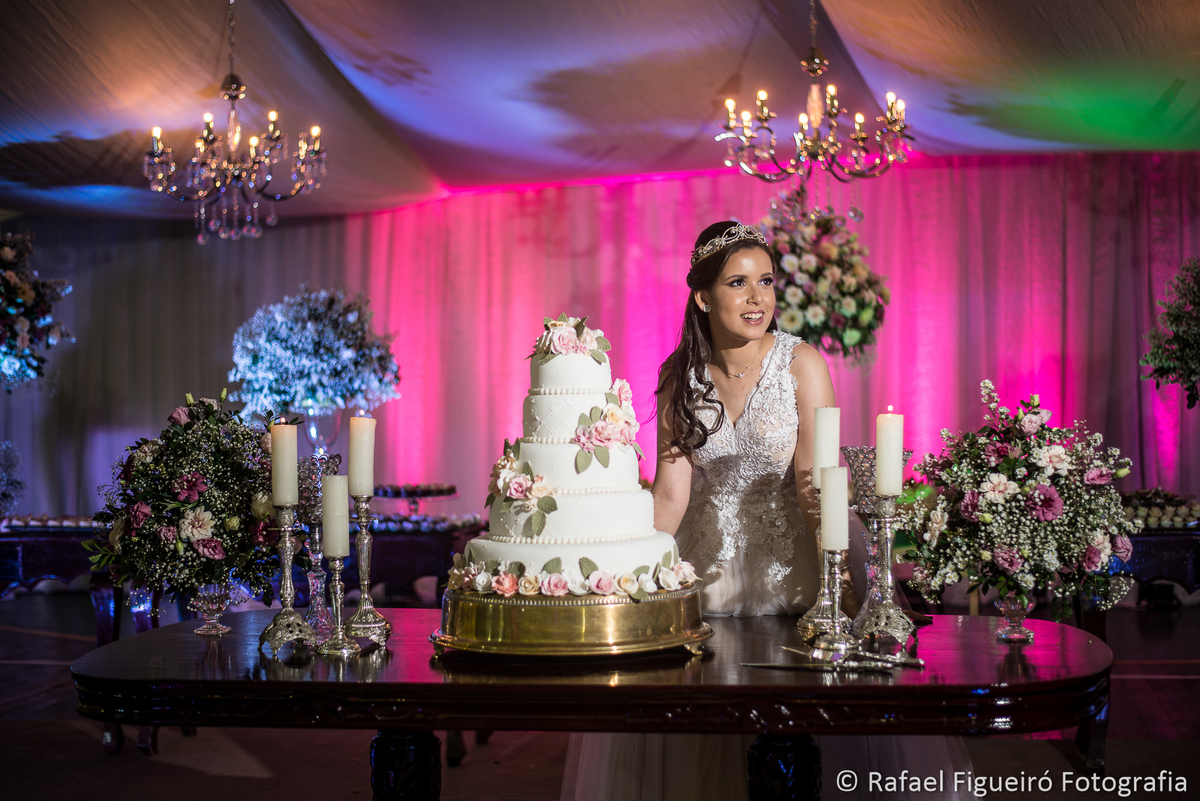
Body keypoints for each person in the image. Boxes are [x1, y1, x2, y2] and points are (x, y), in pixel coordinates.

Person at [560, 221, 972, 801]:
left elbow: (814, 482)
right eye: (738, 283)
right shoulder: (677, 375)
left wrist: (846, 590)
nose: (758, 299)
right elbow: (672, 494)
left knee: (801, 720)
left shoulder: (801, 364)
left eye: (766, 282)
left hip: (795, 562)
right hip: (703, 570)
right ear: (703, 296)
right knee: (702, 725)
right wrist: (633, 576)